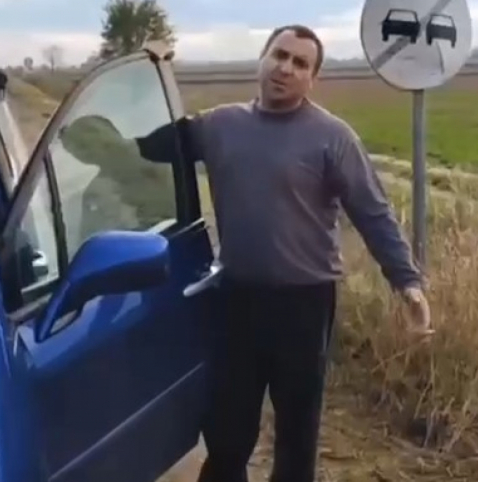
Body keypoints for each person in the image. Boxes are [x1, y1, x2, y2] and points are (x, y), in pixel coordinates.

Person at [135, 24, 433, 482]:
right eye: (279, 55)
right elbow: (146, 147)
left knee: (297, 433)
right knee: (227, 431)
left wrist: (407, 282)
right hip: (237, 298)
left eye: (300, 63)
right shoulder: (219, 126)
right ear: (262, 58)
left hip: (305, 305)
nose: (286, 68)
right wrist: (143, 75)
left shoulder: (333, 138)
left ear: (312, 78)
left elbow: (373, 213)